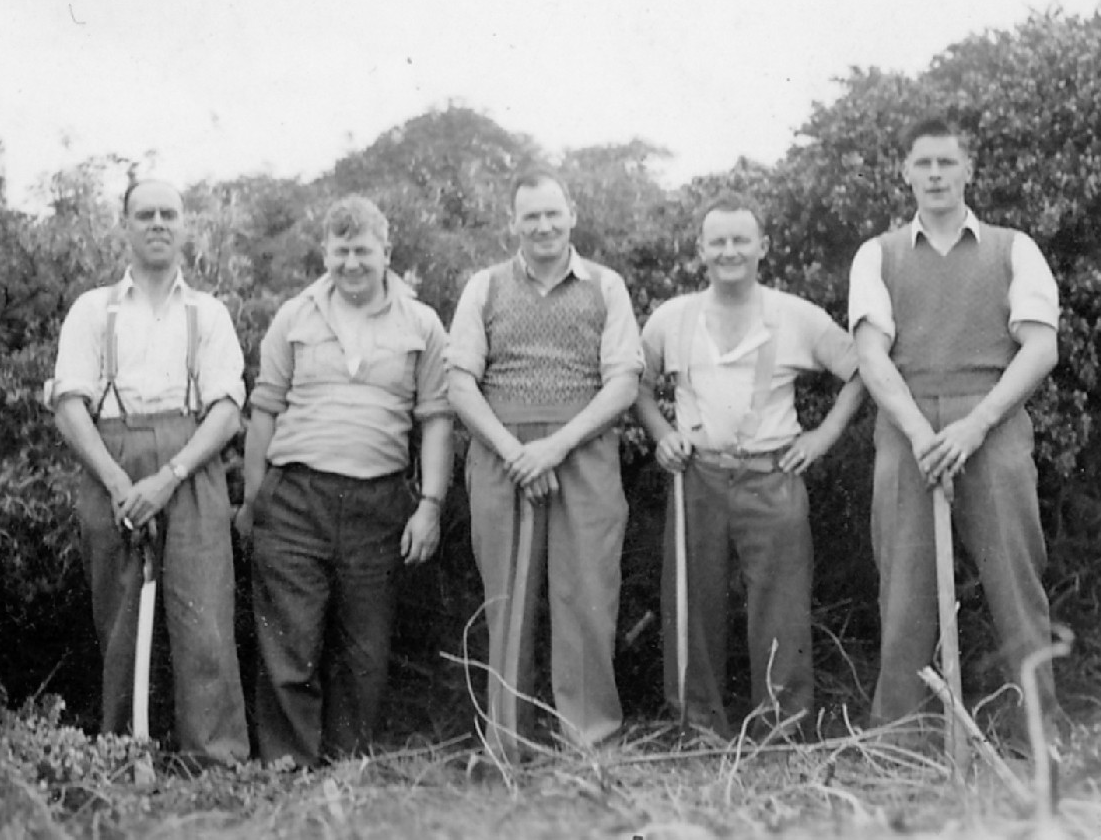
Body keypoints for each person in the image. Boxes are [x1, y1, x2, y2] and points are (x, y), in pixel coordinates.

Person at [849, 116, 1060, 747]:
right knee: (905, 586)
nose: (936, 175)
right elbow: (871, 356)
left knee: (1015, 581)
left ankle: (1037, 736)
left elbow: (1040, 347)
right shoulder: (878, 254)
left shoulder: (1011, 247)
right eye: (924, 164)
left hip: (990, 421)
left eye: (948, 162)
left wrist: (975, 425)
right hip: (907, 425)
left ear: (969, 169)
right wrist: (919, 432)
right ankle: (901, 744)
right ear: (905, 173)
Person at [633, 194, 864, 738]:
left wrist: (822, 437)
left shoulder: (795, 314)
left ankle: (780, 730)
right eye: (718, 241)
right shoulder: (672, 317)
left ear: (763, 247)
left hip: (772, 478)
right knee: (691, 606)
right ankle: (697, 728)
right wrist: (662, 435)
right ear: (700, 251)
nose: (729, 251)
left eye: (741, 240)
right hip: (698, 477)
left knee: (780, 608)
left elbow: (860, 369)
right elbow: (634, 385)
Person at [237, 195, 453, 768]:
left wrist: (429, 503)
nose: (352, 263)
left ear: (387, 252)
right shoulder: (294, 316)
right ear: (325, 252)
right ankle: (288, 772)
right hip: (294, 497)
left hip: (379, 502)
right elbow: (264, 410)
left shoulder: (422, 323)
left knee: (366, 653)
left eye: (363, 250)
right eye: (341, 250)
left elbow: (435, 418)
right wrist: (253, 500)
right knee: (290, 643)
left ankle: (346, 771)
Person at [48, 178, 249, 765]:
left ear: (185, 226)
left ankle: (216, 763)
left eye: (169, 214)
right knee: (120, 619)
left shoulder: (207, 313)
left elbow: (228, 410)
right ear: (126, 226)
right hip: (112, 458)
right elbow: (68, 406)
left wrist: (170, 476)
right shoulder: (93, 309)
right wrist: (116, 481)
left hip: (191, 463)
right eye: (145, 214)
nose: (158, 223)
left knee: (204, 616)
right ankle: (125, 754)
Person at [447, 164, 642, 756]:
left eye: (552, 213)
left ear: (572, 216)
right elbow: (459, 384)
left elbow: (624, 383)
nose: (543, 226)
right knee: (506, 600)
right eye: (530, 216)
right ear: (513, 223)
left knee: (585, 596)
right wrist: (514, 453)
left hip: (582, 450)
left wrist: (555, 448)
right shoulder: (484, 286)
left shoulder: (606, 286)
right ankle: (506, 744)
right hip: (501, 453)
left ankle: (588, 744)